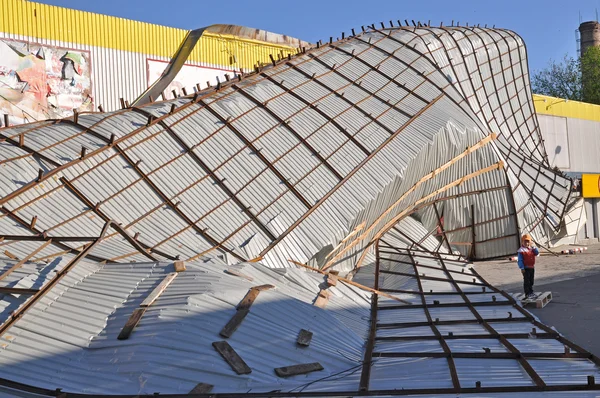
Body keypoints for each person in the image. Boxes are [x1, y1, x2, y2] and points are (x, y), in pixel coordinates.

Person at [517, 234, 539, 299]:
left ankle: (531, 292)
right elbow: (520, 260)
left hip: (531, 267)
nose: (526, 243)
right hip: (526, 268)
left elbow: (537, 253)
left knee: (531, 280)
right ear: (522, 242)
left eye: (528, 241)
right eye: (525, 241)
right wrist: (522, 267)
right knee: (527, 281)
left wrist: (534, 247)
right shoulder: (521, 251)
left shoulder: (531, 249)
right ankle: (527, 293)